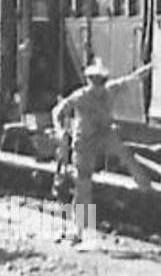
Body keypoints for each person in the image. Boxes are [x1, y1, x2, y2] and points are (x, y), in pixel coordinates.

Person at [51, 57, 154, 242]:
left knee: (124, 153)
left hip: (104, 133)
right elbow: (57, 111)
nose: (99, 86)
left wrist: (151, 67)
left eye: (102, 81)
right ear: (89, 81)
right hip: (84, 141)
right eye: (96, 81)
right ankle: (80, 229)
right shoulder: (80, 96)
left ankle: (144, 185)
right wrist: (60, 131)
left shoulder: (109, 90)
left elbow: (130, 79)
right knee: (83, 184)